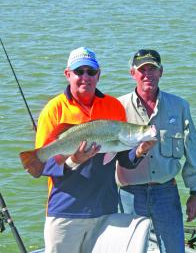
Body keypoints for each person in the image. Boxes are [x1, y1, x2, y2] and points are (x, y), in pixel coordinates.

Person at [34, 47, 153, 253]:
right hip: (66, 212)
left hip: (105, 210)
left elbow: (123, 158)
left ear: (98, 75)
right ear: (68, 74)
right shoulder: (54, 109)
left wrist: (140, 150)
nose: (85, 77)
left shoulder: (114, 106)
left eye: (91, 72)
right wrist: (74, 160)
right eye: (79, 72)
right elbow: (41, 164)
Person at [116, 49, 196, 253]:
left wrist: (195, 193)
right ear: (133, 73)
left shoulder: (179, 106)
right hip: (129, 194)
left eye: (153, 69)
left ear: (161, 72)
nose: (148, 74)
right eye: (142, 69)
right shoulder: (117, 107)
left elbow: (192, 151)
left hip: (166, 192)